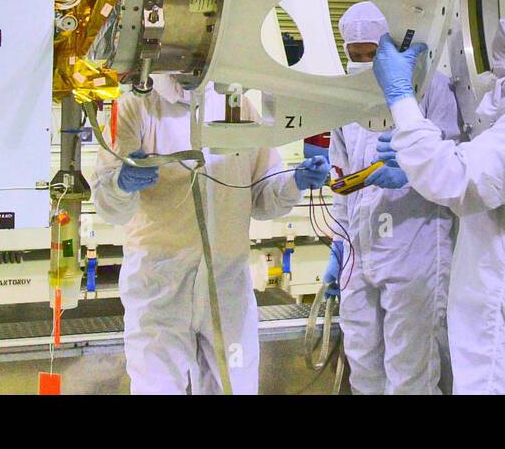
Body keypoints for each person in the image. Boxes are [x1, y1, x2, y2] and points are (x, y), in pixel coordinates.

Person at [369, 10, 505, 395]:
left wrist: (402, 100)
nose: (495, 69)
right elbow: (498, 178)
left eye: (500, 55)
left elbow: (456, 180)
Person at [89, 74, 329, 395]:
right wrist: (121, 182)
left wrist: (294, 182)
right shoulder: (137, 104)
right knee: (156, 388)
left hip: (226, 281)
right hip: (160, 283)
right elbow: (110, 208)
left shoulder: (237, 105)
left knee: (234, 387)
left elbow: (262, 198)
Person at [316, 1, 462, 395]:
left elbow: (455, 165)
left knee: (410, 369)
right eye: (355, 55)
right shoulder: (345, 97)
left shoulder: (430, 88)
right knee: (361, 360)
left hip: (413, 246)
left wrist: (411, 171)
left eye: (372, 54)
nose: (364, 63)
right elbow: (341, 176)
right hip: (360, 251)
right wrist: (340, 246)